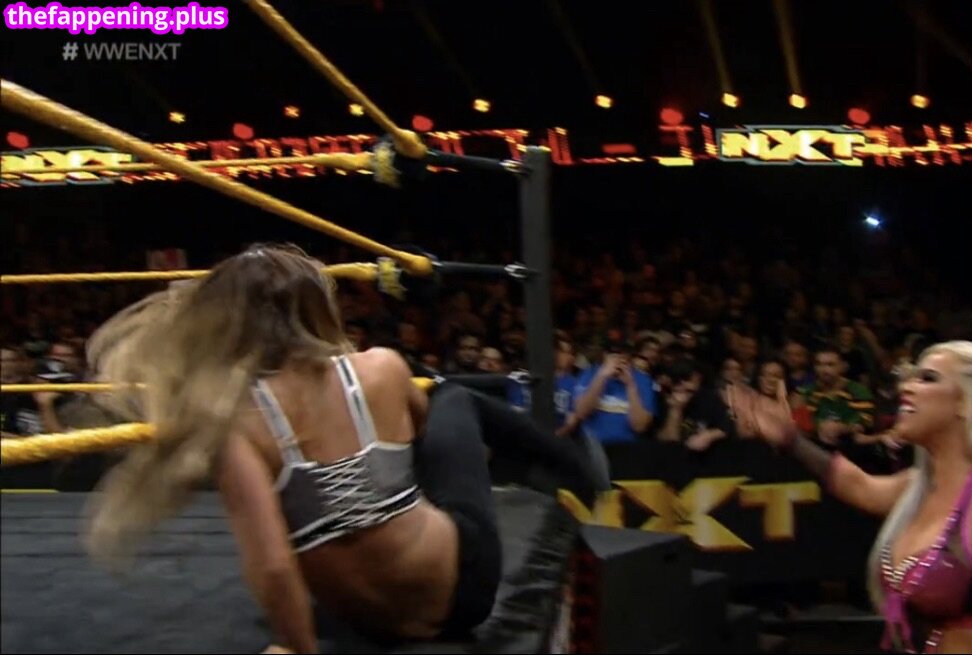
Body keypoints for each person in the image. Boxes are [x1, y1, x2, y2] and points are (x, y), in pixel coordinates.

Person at [80, 244, 598, 654]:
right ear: (317, 307)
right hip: (466, 589)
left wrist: (295, 647)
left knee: (421, 434)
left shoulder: (234, 424)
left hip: (371, 622)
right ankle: (567, 462)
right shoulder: (381, 368)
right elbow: (424, 435)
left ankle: (540, 466)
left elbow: (273, 566)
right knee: (453, 398)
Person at [732, 340, 972, 653]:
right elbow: (860, 486)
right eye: (911, 377)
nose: (905, 387)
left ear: (968, 403)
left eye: (927, 378)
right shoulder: (920, 488)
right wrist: (792, 441)